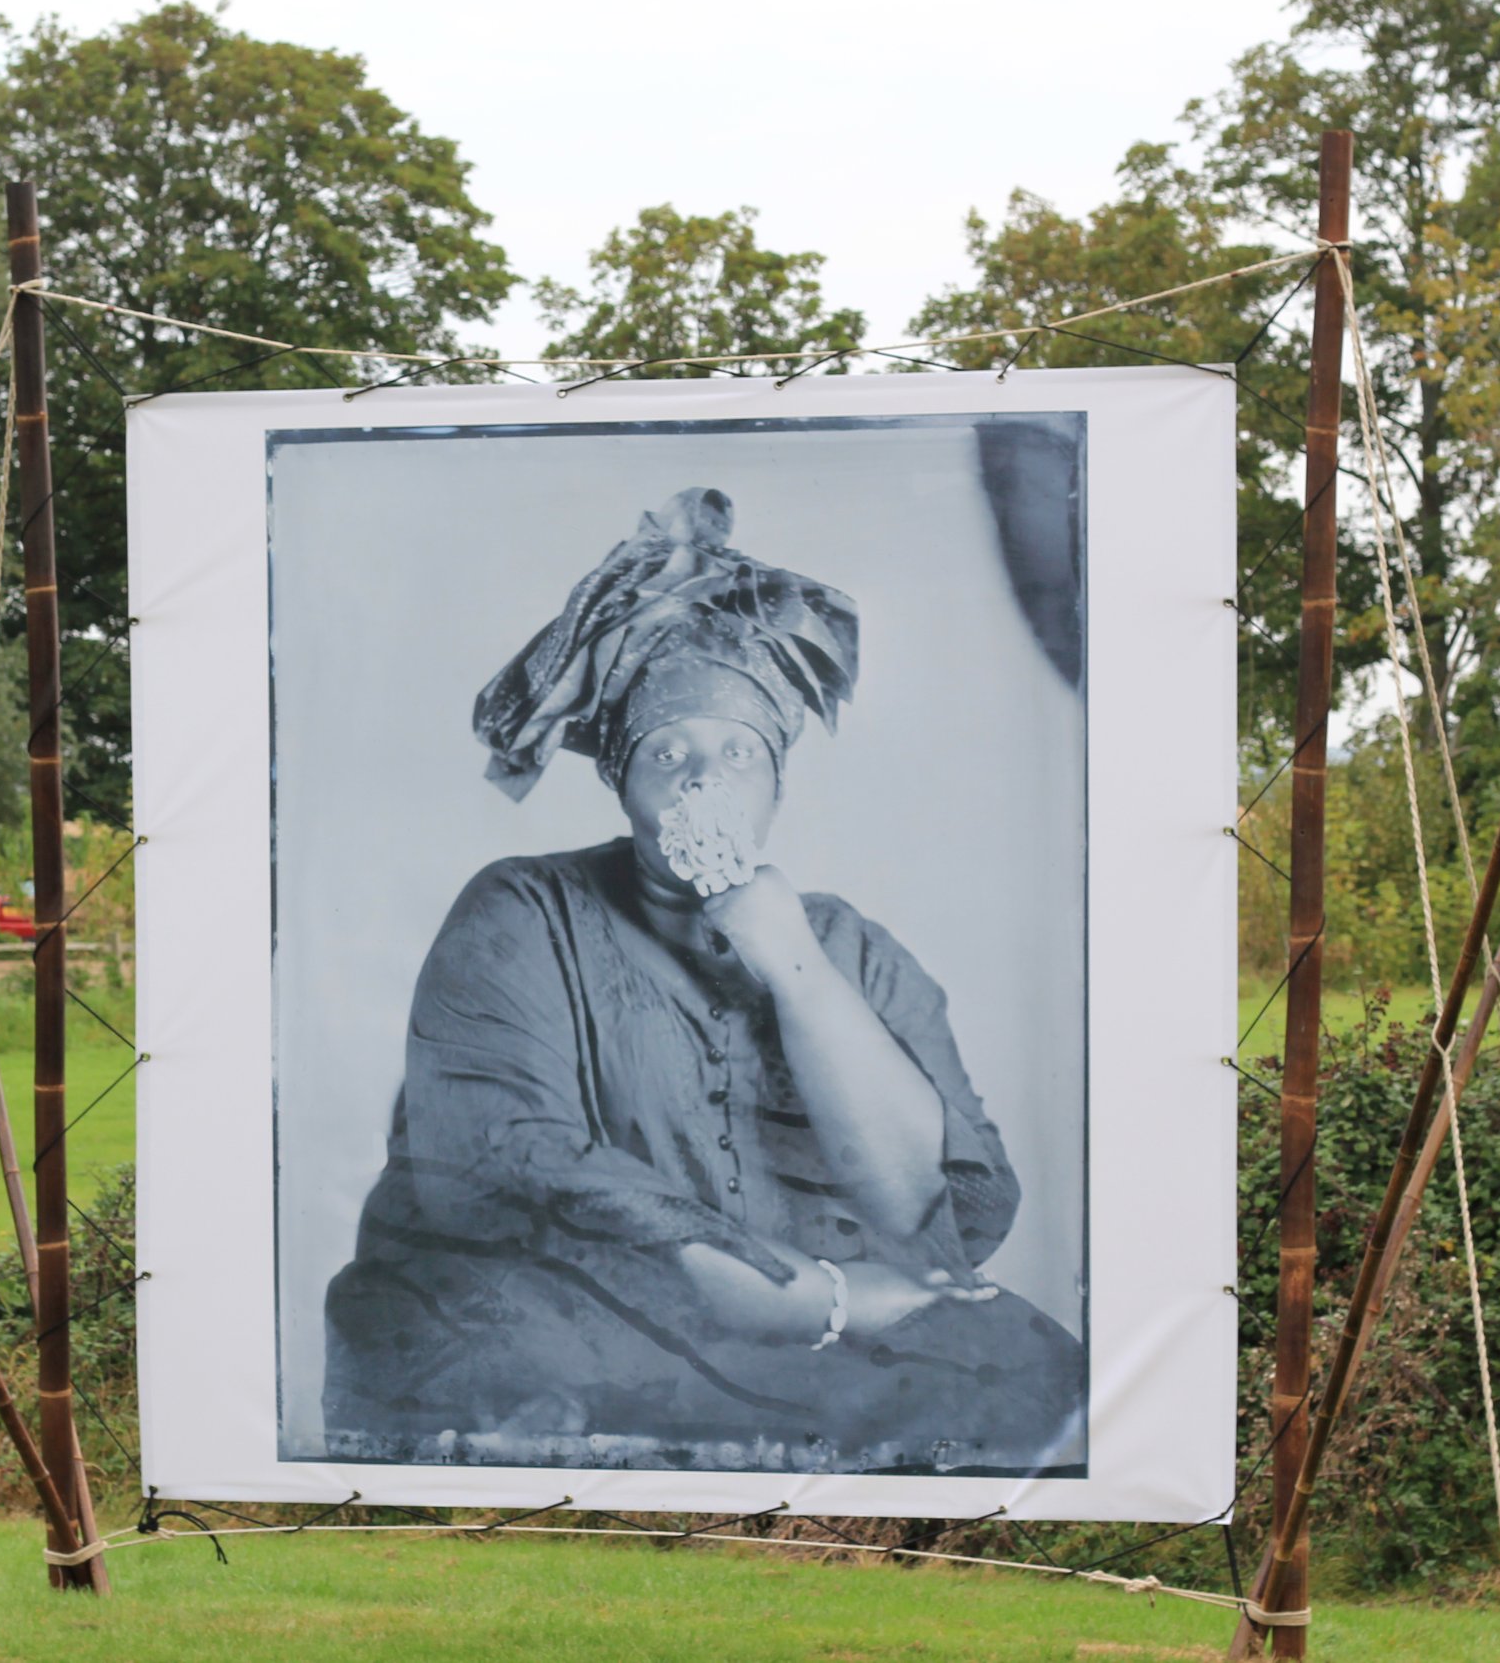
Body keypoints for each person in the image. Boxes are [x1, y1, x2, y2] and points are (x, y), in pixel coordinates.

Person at [318, 487, 1083, 1475]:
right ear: (622, 781)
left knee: (1038, 1374)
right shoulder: (518, 907)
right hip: (563, 1297)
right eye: (666, 754)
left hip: (807, 1305)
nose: (697, 780)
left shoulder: (853, 947)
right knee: (526, 1371)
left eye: (733, 755)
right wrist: (793, 1292)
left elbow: (925, 1209)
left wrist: (789, 961)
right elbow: (505, 1150)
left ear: (776, 782)